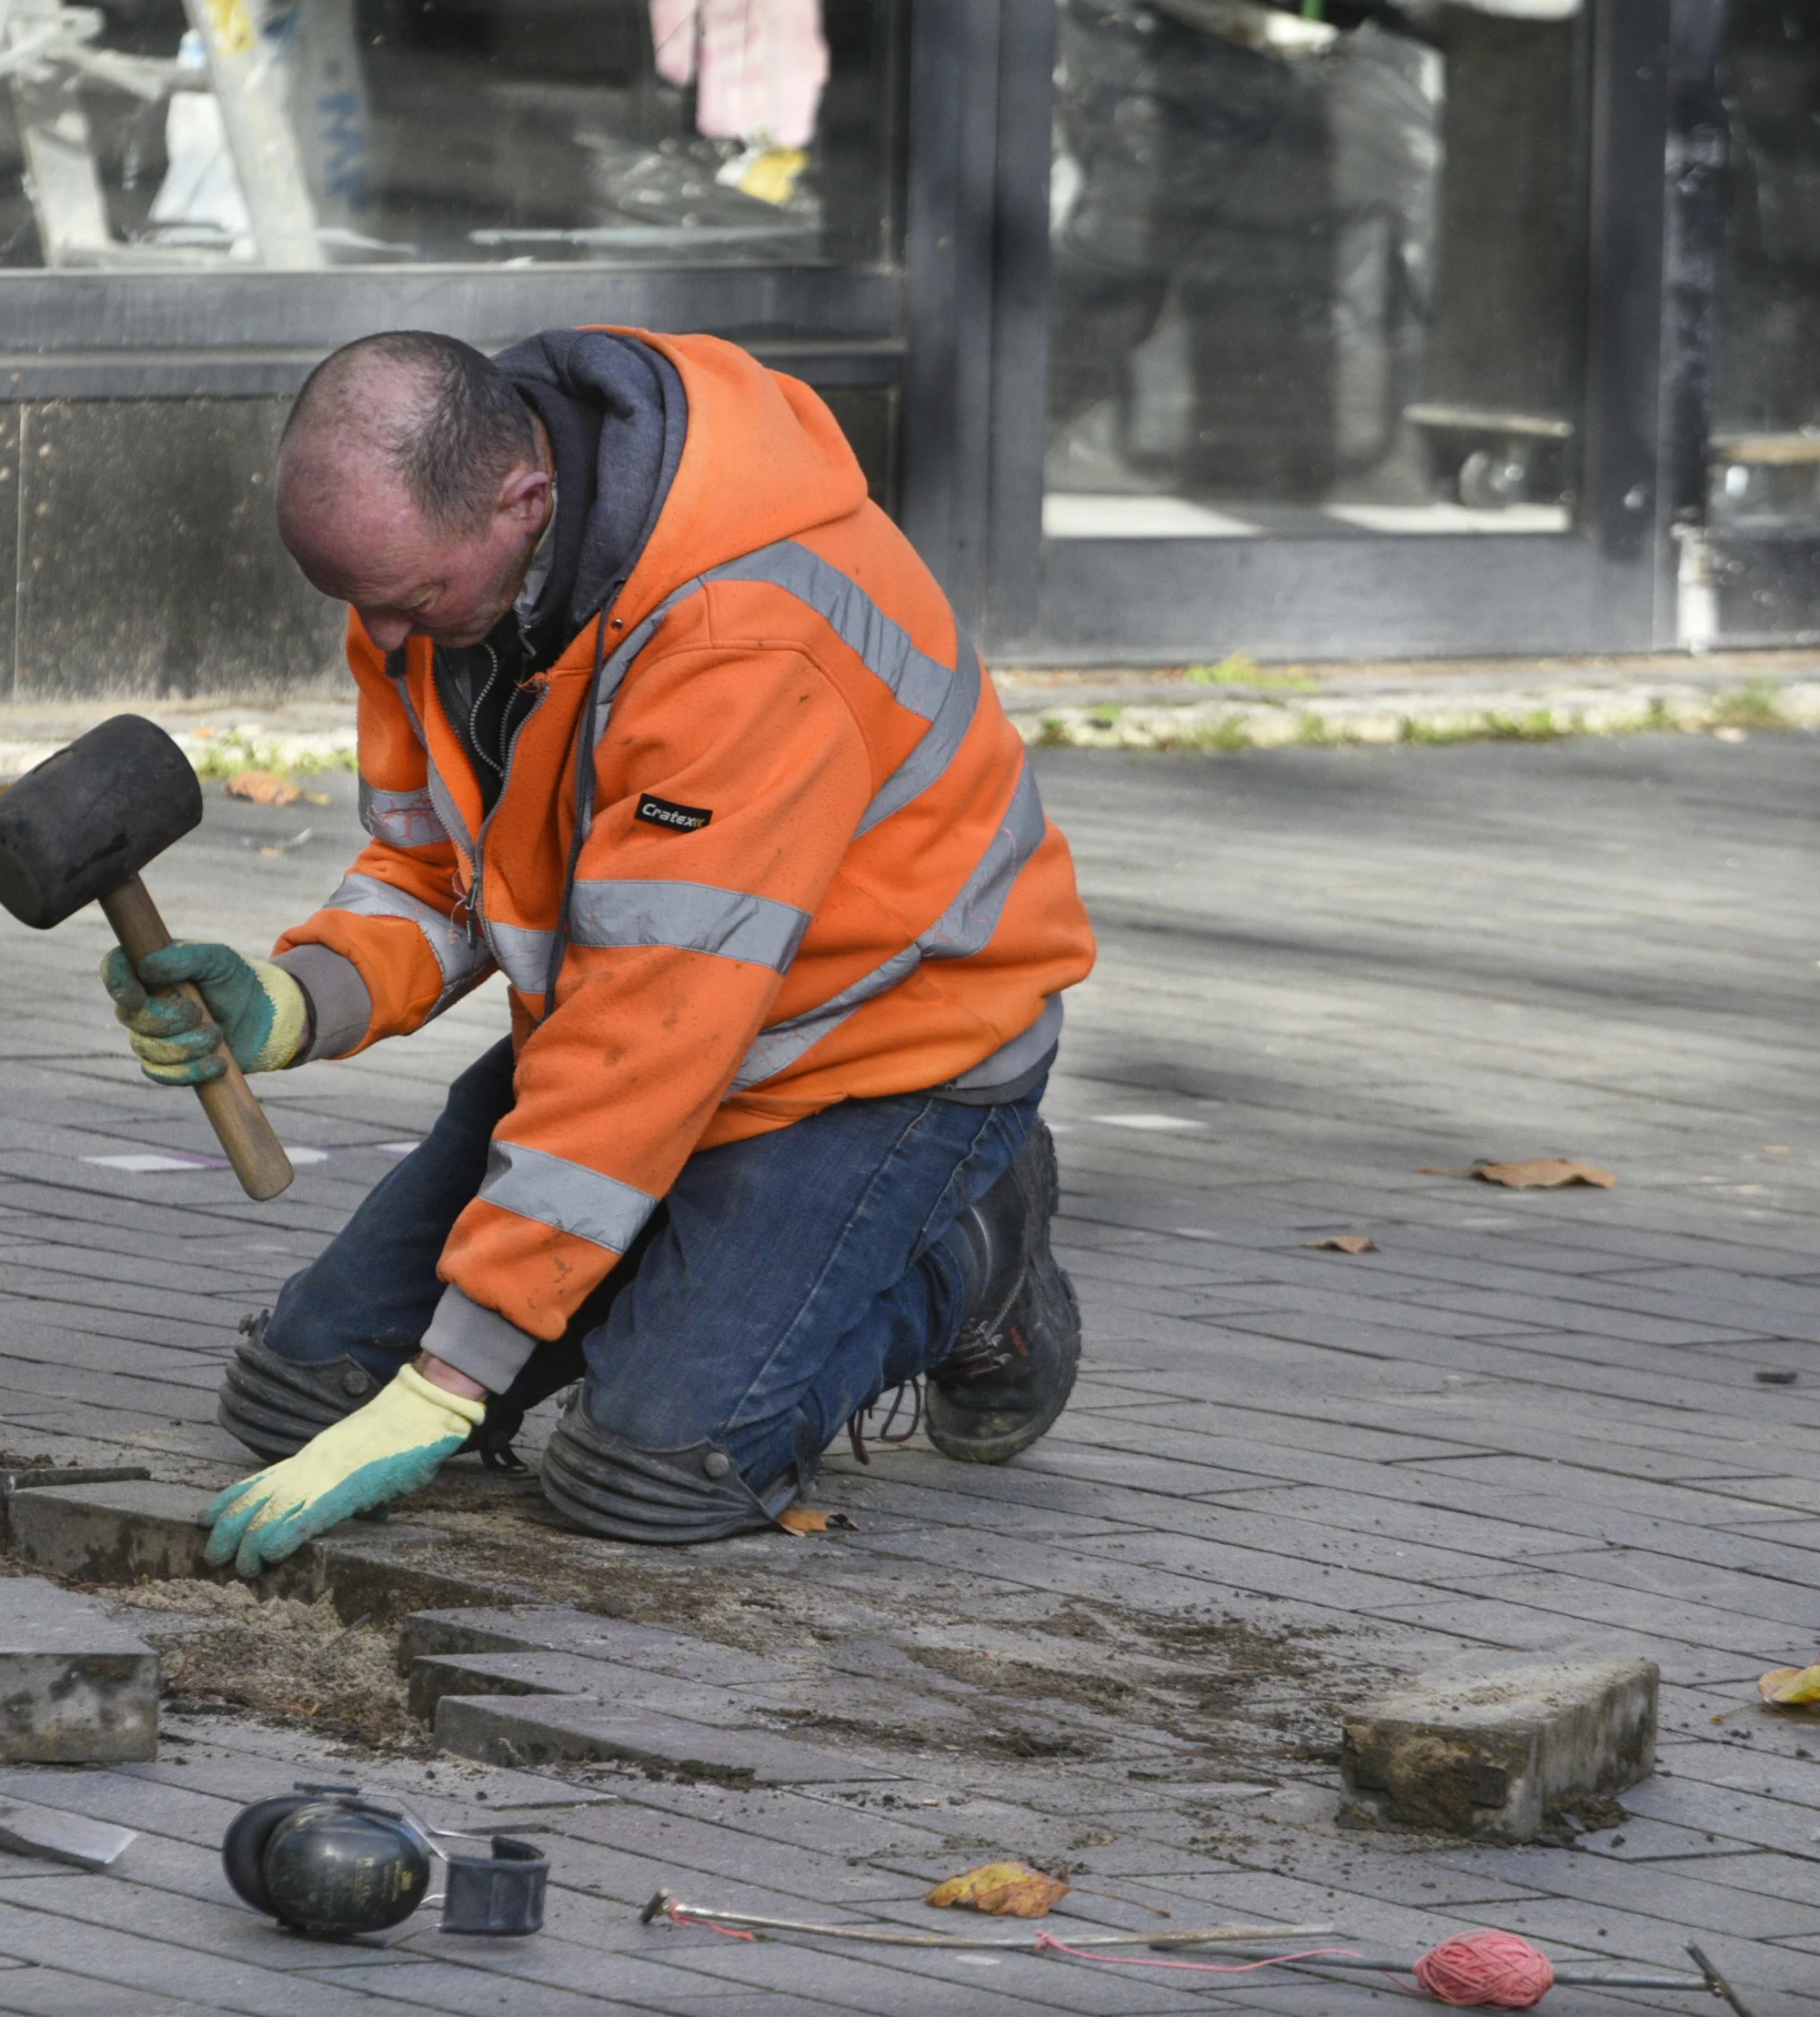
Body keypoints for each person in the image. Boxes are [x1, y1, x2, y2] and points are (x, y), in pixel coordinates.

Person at [100, 327, 1095, 1573]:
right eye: (359, 603)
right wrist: (292, 1001)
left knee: (652, 1472)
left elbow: (647, 1036)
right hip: (648, 1022)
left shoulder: (748, 633)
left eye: (409, 601)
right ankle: (684, 1274)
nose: (386, 640)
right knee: (301, 1394)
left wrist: (448, 1385)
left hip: (879, 1058)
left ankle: (971, 1260)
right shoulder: (435, 590)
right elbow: (443, 866)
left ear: (525, 501)